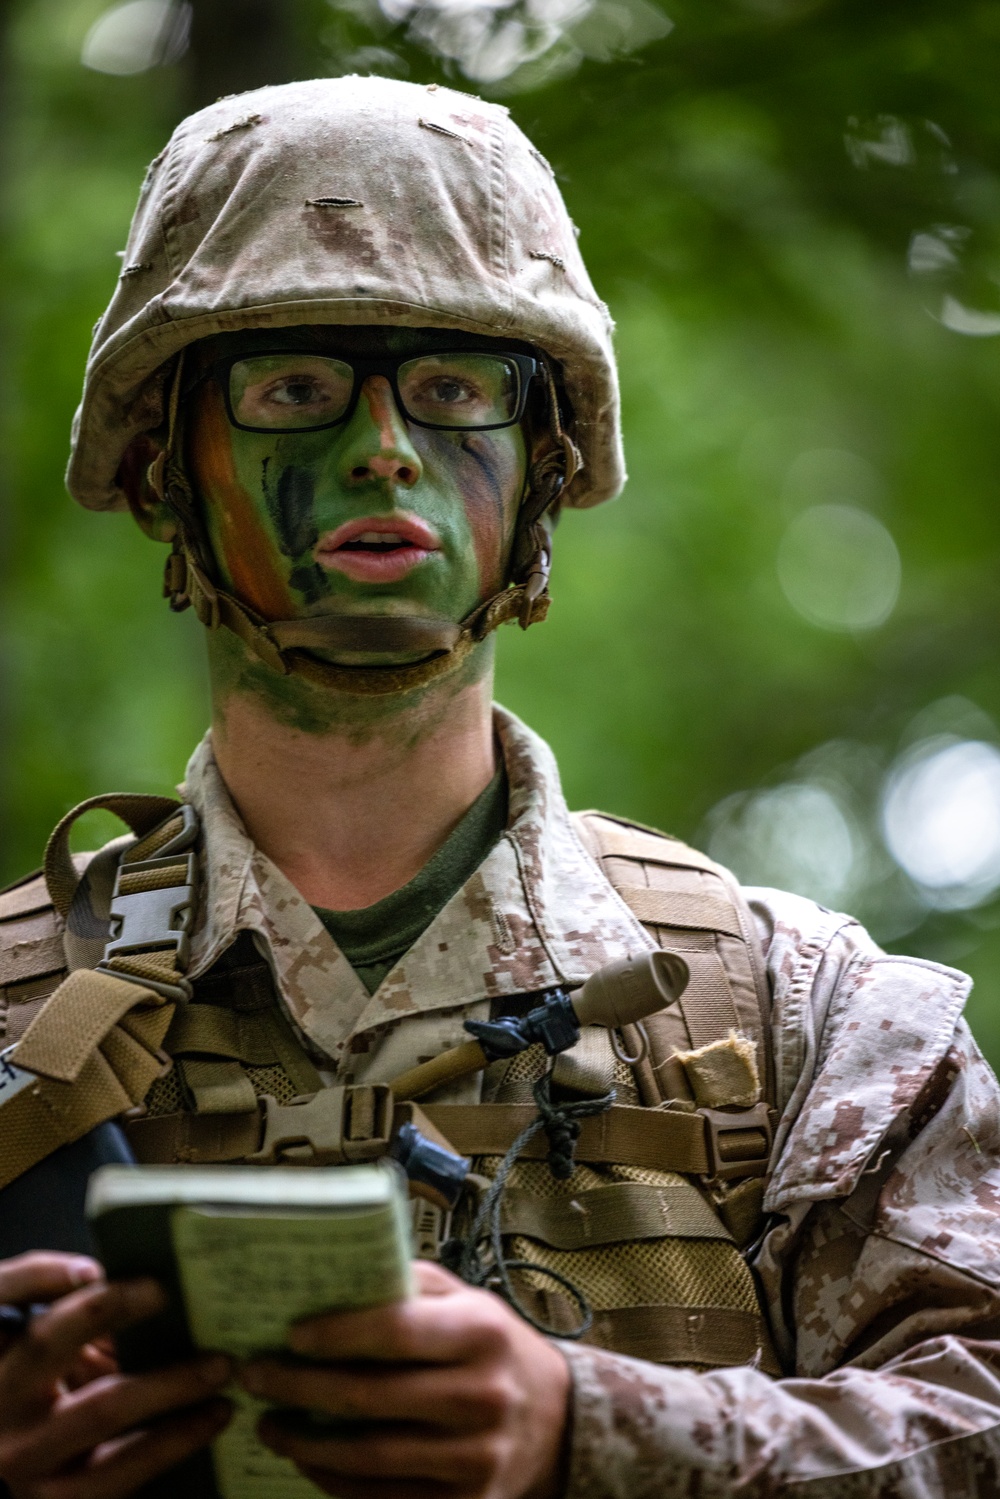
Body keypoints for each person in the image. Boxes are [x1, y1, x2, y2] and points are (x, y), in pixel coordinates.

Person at [0, 74, 998, 1499]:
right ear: (168, 469)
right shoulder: (11, 1021)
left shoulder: (798, 1022)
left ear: (545, 468)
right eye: (294, 389)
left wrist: (590, 1428)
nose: (384, 447)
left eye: (456, 389)